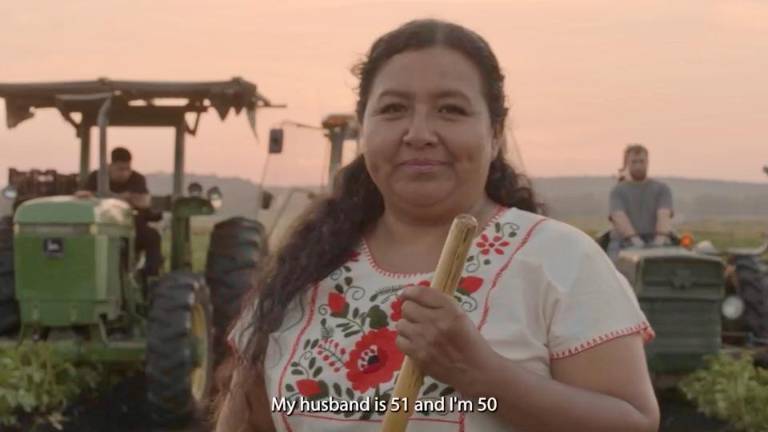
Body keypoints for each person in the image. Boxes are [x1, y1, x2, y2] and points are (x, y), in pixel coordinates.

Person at [215, 19, 659, 432]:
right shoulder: (305, 267)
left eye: (450, 110)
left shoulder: (559, 260)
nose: (419, 132)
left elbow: (633, 422)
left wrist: (484, 375)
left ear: (495, 133)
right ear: (364, 128)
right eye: (393, 109)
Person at [75, 147, 162, 277]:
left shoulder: (137, 179)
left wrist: (106, 196)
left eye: (128, 169)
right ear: (110, 166)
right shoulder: (96, 177)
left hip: (133, 227)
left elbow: (144, 201)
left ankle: (151, 276)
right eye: (120, 169)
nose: (125, 173)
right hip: (104, 227)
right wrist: (125, 197)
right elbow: (82, 196)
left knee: (153, 237)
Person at [608, 144, 674, 259]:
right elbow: (618, 216)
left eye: (641, 161)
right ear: (627, 164)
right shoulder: (618, 191)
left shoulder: (662, 189)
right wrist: (634, 240)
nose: (638, 166)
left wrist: (659, 241)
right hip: (624, 242)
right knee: (613, 269)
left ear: (647, 162)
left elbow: (664, 214)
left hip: (655, 240)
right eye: (634, 162)